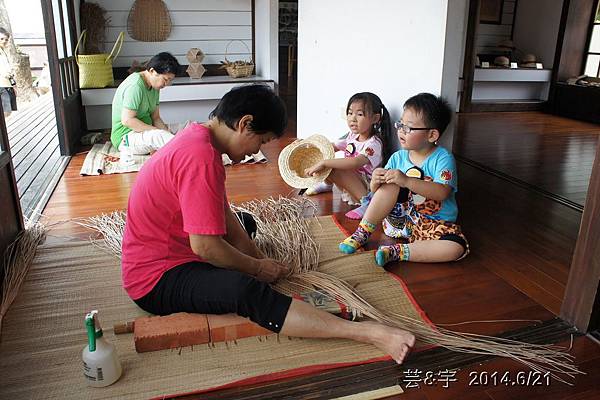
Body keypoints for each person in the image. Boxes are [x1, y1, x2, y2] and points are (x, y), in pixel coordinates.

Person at [121, 84, 415, 363]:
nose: (254, 152)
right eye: (260, 141)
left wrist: (255, 254)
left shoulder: (197, 137)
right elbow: (206, 246)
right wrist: (256, 268)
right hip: (155, 278)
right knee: (245, 290)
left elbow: (223, 213)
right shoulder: (200, 157)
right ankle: (368, 333)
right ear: (244, 123)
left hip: (171, 246)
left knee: (244, 224)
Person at [339, 93, 469, 265]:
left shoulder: (443, 158)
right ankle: (362, 233)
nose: (401, 130)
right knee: (390, 184)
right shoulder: (397, 157)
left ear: (432, 135)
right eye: (400, 124)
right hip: (398, 223)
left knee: (457, 247)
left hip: (431, 225)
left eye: (408, 127)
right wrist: (375, 182)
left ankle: (396, 252)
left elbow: (442, 192)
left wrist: (407, 181)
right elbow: (377, 194)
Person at [303, 93, 393, 219]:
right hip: (353, 180)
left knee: (335, 165)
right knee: (331, 161)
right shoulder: (352, 136)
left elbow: (355, 162)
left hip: (367, 187)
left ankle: (368, 204)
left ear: (375, 118)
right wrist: (310, 146)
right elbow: (332, 146)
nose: (352, 118)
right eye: (350, 113)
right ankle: (327, 184)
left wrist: (325, 163)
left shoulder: (374, 143)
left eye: (359, 114)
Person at [110, 52, 180, 162]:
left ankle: (178, 145)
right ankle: (186, 151)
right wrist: (157, 132)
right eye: (165, 79)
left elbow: (156, 118)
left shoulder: (155, 86)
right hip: (126, 137)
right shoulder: (135, 86)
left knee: (185, 126)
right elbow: (127, 120)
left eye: (170, 80)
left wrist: (166, 133)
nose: (166, 84)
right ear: (152, 71)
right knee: (159, 136)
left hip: (145, 130)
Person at [0, 28, 17, 117]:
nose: (4, 41)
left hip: (8, 83)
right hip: (1, 84)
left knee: (8, 111)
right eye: (1, 39)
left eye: (6, 39)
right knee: (6, 111)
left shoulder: (4, 52)